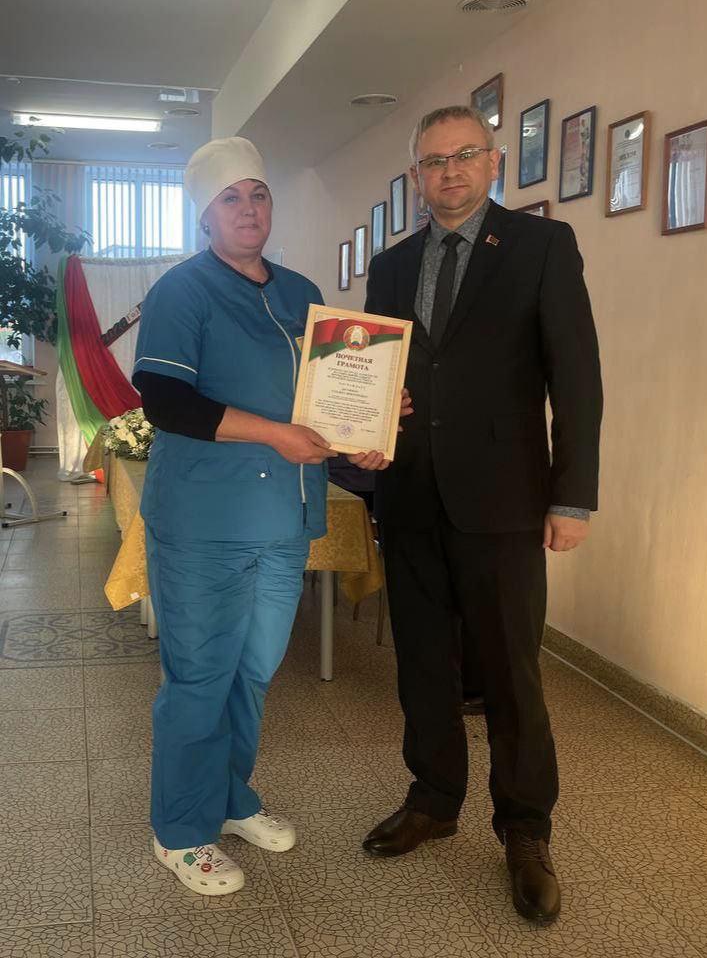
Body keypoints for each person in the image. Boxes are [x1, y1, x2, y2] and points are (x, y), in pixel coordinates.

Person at [354, 105, 603, 925]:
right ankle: (432, 799)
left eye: (464, 155)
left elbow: (575, 377)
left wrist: (571, 495)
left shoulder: (541, 246)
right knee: (423, 662)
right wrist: (370, 423)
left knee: (509, 674)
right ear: (416, 176)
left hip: (505, 499)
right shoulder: (390, 267)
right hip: (409, 495)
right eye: (433, 161)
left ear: (494, 162)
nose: (449, 171)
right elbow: (378, 376)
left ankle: (525, 829)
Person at [132, 137, 340, 896]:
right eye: (230, 198)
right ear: (205, 215)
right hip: (204, 523)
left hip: (283, 520)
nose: (248, 209)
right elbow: (166, 401)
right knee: (199, 678)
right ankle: (180, 831)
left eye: (258, 194)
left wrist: (374, 418)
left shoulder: (301, 292)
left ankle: (227, 798)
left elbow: (326, 395)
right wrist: (274, 434)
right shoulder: (182, 292)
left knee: (251, 674)